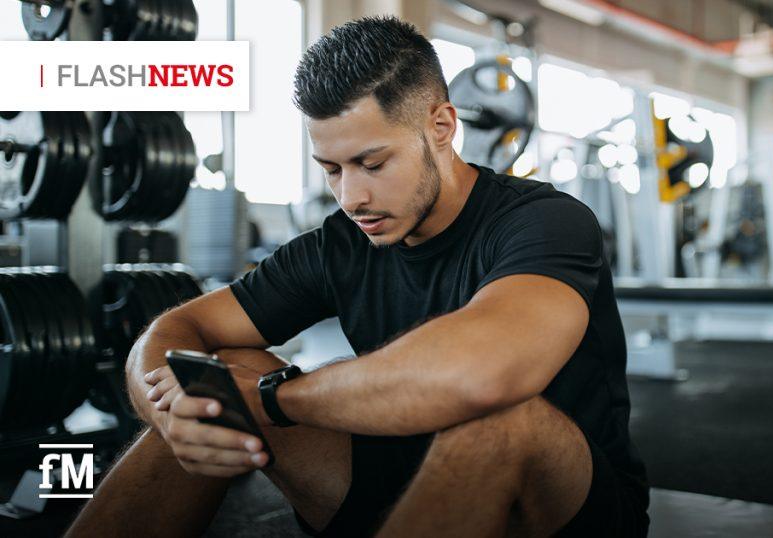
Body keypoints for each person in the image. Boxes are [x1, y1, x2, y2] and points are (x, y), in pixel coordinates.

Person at [66, 15, 648, 537]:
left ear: (441, 125)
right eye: (332, 170)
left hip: (558, 512)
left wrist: (275, 398)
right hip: (395, 481)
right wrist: (166, 409)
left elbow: (482, 375)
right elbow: (179, 328)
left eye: (373, 164)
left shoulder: (544, 222)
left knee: (503, 421)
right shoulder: (339, 244)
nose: (352, 196)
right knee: (218, 382)